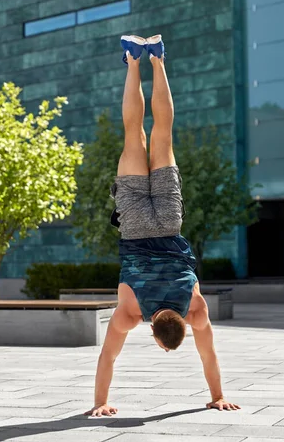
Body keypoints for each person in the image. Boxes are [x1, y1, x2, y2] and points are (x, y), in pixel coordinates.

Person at [84, 35, 240, 417]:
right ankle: (133, 60)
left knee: (163, 135)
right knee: (134, 133)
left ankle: (156, 58)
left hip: (169, 225)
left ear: (181, 323)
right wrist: (101, 403)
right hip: (135, 227)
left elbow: (210, 356)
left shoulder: (197, 309)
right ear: (153, 332)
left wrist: (218, 394)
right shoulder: (129, 313)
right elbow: (107, 358)